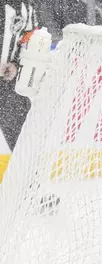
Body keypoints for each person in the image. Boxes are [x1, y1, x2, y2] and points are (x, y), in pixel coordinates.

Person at [0, 0, 38, 153]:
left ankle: (28, 175)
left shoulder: (27, 8)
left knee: (22, 138)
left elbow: (29, 39)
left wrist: (15, 64)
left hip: (8, 82)